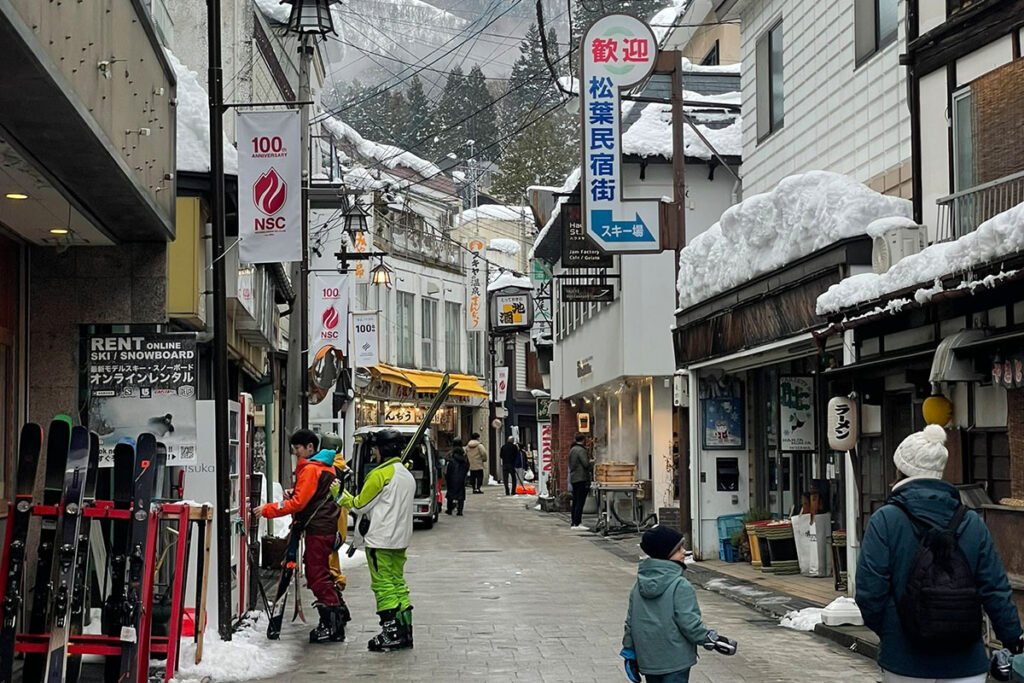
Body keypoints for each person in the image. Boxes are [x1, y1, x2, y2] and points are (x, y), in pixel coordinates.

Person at [856, 425, 1024, 683]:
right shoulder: (971, 522)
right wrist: (1013, 638)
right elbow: (995, 588)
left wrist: (893, 634)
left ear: (901, 470)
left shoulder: (886, 520)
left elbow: (870, 592)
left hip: (904, 661)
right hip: (966, 661)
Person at [259, 429, 350, 643]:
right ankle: (337, 615)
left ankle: (332, 624)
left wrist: (268, 509)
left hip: (318, 529)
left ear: (310, 447)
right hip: (324, 527)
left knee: (317, 574)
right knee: (322, 572)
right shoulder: (321, 467)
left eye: (298, 449)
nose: (296, 454)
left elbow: (299, 503)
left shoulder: (312, 469)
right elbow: (310, 497)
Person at [334, 428, 416, 651]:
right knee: (398, 583)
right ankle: (404, 630)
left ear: (382, 450)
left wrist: (339, 495)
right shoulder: (406, 475)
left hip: (380, 540)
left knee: (383, 586)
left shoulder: (379, 475)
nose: (374, 453)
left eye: (376, 449)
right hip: (400, 539)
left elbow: (360, 504)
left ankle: (390, 632)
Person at [621, 526, 736, 683]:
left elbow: (631, 622)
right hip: (676, 660)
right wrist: (710, 639)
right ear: (665, 554)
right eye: (678, 549)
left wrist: (629, 651)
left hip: (648, 660)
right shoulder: (680, 585)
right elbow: (689, 623)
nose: (684, 552)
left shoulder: (638, 586)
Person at [568, 434, 592, 528]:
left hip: (574, 478)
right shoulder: (581, 450)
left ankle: (574, 521)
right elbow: (585, 464)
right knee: (580, 501)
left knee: (575, 500)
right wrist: (592, 463)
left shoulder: (572, 449)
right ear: (583, 440)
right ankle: (577, 522)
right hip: (581, 478)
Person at [444, 438, 470, 516]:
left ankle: (449, 509)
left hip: (451, 477)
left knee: (450, 493)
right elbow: (467, 465)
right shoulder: (464, 454)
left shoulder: (450, 454)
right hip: (461, 477)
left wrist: (446, 476)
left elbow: (446, 466)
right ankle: (460, 511)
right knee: (461, 494)